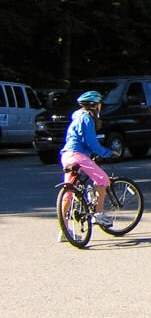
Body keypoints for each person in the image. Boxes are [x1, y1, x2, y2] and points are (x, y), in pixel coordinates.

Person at [59, 90, 121, 233]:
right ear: (95, 106)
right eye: (100, 104)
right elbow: (91, 142)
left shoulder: (76, 117)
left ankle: (63, 230)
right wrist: (108, 153)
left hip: (67, 155)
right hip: (78, 156)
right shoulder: (87, 119)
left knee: (69, 190)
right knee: (103, 179)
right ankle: (98, 215)